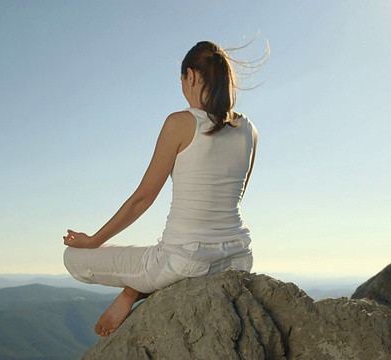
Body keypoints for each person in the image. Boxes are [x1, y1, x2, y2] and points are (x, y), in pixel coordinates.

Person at [62, 40, 259, 338]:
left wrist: (93, 240)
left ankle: (133, 291)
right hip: (238, 256)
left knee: (73, 259)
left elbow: (143, 198)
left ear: (190, 76)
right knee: (147, 257)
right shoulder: (249, 130)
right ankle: (135, 288)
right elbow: (238, 192)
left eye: (182, 79)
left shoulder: (180, 122)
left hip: (183, 259)